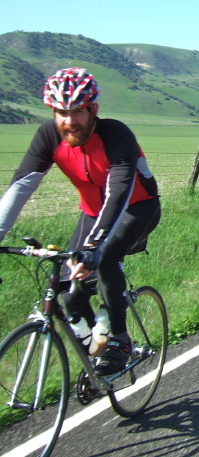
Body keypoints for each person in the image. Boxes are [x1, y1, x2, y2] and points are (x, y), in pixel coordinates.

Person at [0, 68, 160, 376]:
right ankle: (93, 346)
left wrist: (94, 245)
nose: (68, 121)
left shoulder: (116, 134)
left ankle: (120, 341)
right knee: (69, 292)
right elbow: (21, 186)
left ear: (93, 110)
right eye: (61, 112)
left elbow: (119, 193)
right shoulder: (49, 136)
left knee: (106, 257)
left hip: (137, 208)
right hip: (91, 213)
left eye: (77, 111)